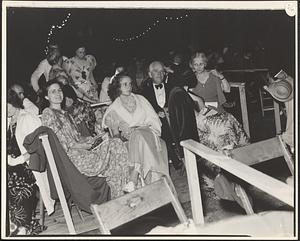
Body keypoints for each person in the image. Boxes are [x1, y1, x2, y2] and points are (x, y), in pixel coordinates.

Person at [41, 79, 132, 198]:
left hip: (82, 152)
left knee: (116, 145)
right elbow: (61, 144)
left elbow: (77, 137)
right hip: (74, 159)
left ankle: (120, 196)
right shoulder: (48, 113)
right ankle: (121, 195)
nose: (58, 94)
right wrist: (82, 146)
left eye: (59, 90)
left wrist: (90, 139)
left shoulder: (65, 113)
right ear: (46, 97)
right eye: (53, 92)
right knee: (116, 147)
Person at [102, 74, 170, 192]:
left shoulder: (141, 99)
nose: (129, 87)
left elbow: (154, 120)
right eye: (125, 84)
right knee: (137, 136)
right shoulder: (114, 108)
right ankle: (153, 188)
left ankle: (133, 178)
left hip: (149, 133)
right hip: (132, 140)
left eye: (130, 84)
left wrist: (141, 127)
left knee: (138, 133)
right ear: (117, 87)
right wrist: (125, 132)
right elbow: (113, 133)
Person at [7, 89, 48, 235]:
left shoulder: (28, 118)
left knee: (16, 183)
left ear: (13, 101)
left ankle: (20, 227)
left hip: (28, 165)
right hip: (9, 165)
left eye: (7, 105)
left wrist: (15, 161)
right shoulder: (6, 122)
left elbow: (37, 148)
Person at [142, 61, 184, 172]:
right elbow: (143, 109)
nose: (159, 74)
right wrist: (155, 113)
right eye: (156, 71)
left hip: (173, 121)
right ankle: (178, 162)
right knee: (162, 130)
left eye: (162, 71)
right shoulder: (144, 92)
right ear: (150, 74)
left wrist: (171, 111)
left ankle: (182, 160)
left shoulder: (172, 87)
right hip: (157, 124)